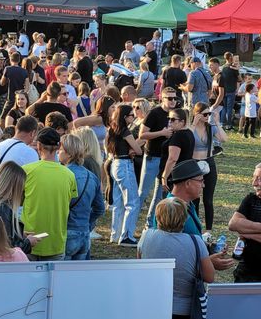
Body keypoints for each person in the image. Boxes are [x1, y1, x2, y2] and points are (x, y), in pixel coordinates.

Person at [138, 197, 214, 319]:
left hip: (153, 305)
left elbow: (141, 268)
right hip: (185, 311)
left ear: (158, 218)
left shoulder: (146, 236)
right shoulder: (196, 241)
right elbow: (210, 277)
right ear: (184, 219)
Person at [167, 159, 235, 271]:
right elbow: (172, 253)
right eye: (200, 181)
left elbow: (189, 241)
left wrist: (210, 248)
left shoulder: (188, 204)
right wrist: (206, 262)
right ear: (188, 183)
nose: (203, 185)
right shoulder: (170, 210)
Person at [21, 127, 78, 260]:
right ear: (59, 146)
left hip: (28, 239)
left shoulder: (26, 171)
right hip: (56, 242)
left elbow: (19, 200)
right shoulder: (69, 175)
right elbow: (69, 202)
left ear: (39, 146)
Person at [0, 161, 40, 255]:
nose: (22, 191)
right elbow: (8, 248)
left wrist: (18, 233)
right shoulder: (2, 208)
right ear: (13, 186)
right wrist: (28, 243)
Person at [59, 134, 105, 259]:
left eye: (61, 149)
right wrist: (87, 223)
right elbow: (100, 208)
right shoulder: (92, 176)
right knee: (80, 270)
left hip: (67, 231)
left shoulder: (63, 175)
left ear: (69, 153)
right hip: (84, 232)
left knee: (63, 270)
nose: (58, 152)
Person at [138, 87, 176, 222]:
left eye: (175, 98)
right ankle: (129, 224)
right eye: (170, 98)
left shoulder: (176, 114)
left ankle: (150, 223)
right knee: (143, 192)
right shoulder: (154, 113)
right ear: (162, 98)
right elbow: (142, 135)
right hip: (152, 157)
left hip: (166, 159)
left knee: (159, 195)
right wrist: (161, 133)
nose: (173, 101)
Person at [107, 104, 142, 246]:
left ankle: (115, 234)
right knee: (132, 202)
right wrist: (132, 150)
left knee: (118, 203)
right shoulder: (125, 131)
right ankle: (126, 236)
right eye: (131, 115)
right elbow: (138, 150)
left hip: (115, 163)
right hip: (125, 165)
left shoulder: (112, 129)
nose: (133, 117)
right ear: (125, 117)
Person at [190, 103, 227, 235]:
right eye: (204, 114)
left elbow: (224, 139)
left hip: (208, 162)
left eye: (209, 114)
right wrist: (194, 123)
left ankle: (209, 230)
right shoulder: (190, 128)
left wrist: (216, 122)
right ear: (197, 114)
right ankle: (195, 228)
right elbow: (186, 138)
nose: (207, 116)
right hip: (194, 164)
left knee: (208, 199)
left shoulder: (210, 128)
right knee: (194, 199)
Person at [159, 108, 195, 197]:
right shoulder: (189, 133)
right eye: (168, 118)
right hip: (184, 174)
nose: (169, 122)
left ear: (182, 122)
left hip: (174, 177)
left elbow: (172, 159)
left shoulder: (178, 136)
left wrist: (164, 176)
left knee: (171, 203)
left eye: (173, 119)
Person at [0, 52, 29, 123]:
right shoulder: (24, 71)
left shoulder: (7, 69)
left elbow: (2, 83)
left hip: (11, 97)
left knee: (2, 118)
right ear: (19, 60)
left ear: (10, 59)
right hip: (21, 98)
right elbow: (27, 87)